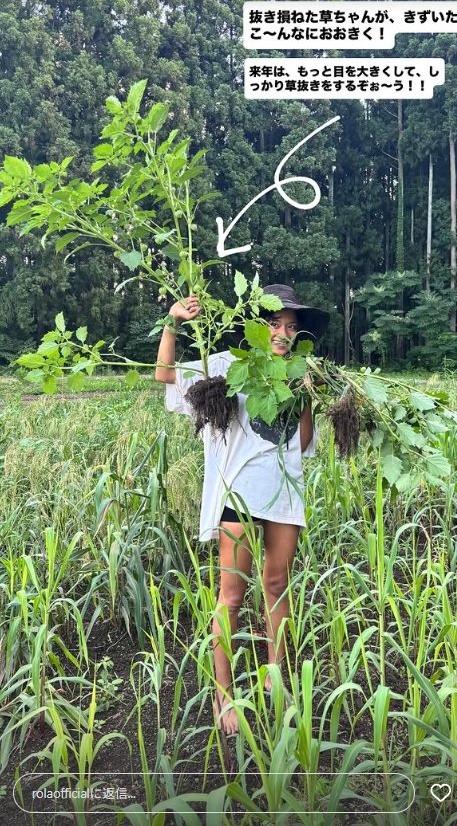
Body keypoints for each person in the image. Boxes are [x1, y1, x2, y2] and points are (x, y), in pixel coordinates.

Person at [155, 283, 329, 736]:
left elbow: (303, 443)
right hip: (239, 494)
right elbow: (164, 375)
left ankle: (276, 680)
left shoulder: (297, 372)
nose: (283, 333)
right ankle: (223, 693)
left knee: (277, 583)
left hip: (285, 494)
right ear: (257, 324)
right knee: (231, 596)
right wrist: (173, 322)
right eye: (275, 323)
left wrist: (308, 394)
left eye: (291, 326)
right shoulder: (231, 366)